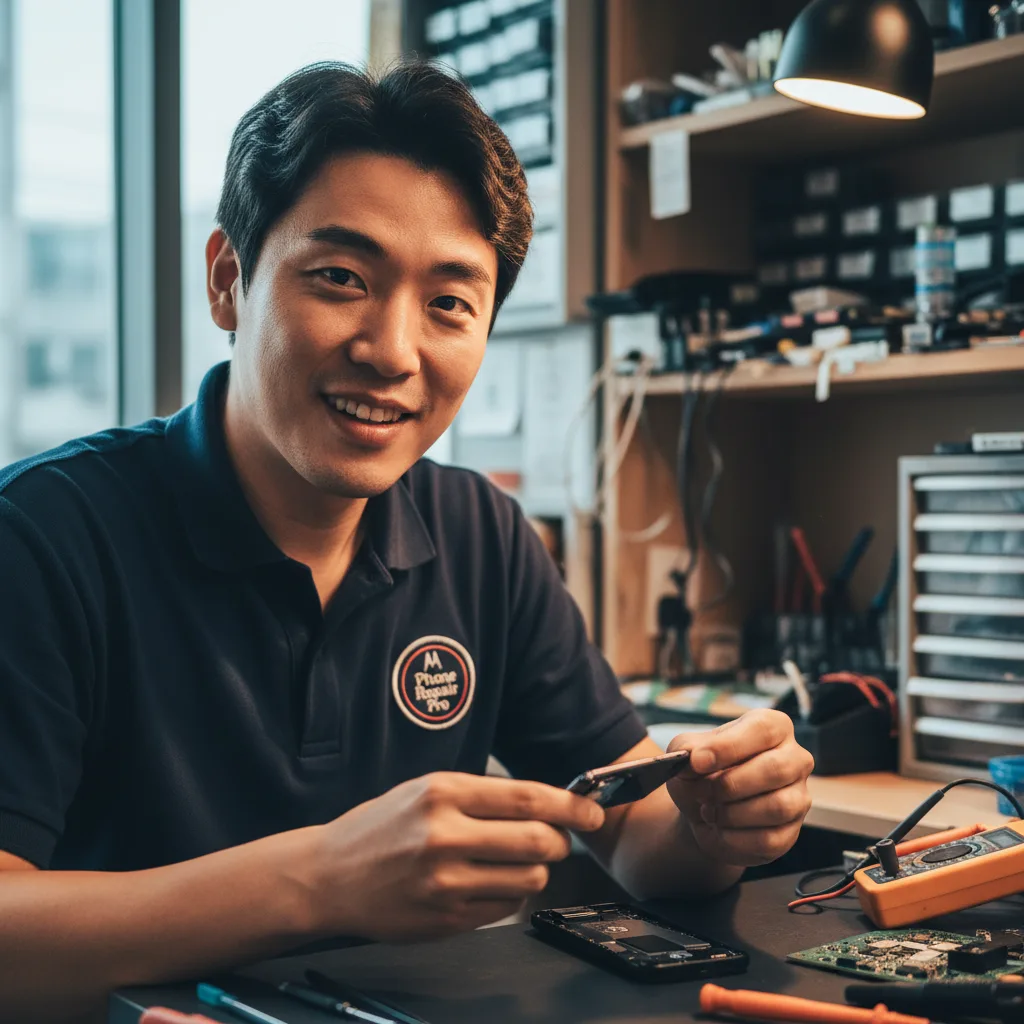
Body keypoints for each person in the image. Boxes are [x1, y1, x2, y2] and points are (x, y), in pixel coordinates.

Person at [0, 61, 813, 1022]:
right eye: (341, 278)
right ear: (228, 281)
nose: (391, 351)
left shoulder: (480, 535)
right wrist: (320, 880)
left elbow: (634, 836)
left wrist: (717, 825)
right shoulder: (44, 535)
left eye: (449, 304)